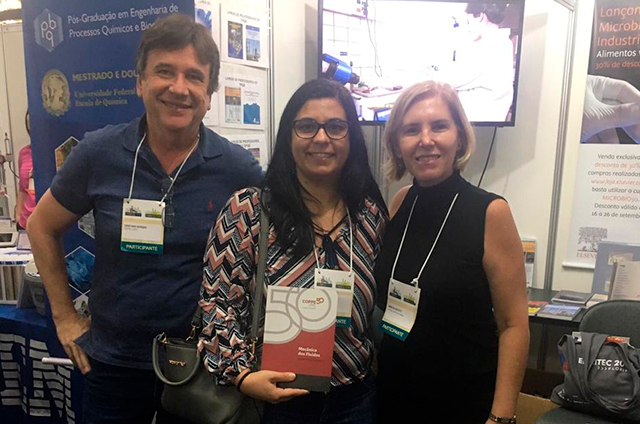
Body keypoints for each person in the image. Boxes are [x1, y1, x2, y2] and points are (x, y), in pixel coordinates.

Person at [27, 14, 262, 424]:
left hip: (201, 365)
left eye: (194, 77)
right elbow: (40, 226)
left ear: (209, 95)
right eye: (164, 72)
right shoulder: (98, 154)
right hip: (113, 363)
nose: (179, 88)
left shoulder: (236, 168)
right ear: (139, 82)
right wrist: (64, 317)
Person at [198, 78, 388, 423]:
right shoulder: (249, 210)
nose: (321, 138)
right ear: (289, 135)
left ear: (351, 138)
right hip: (275, 401)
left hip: (355, 401)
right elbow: (216, 302)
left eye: (336, 127)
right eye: (307, 126)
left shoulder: (368, 215)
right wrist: (241, 375)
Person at [374, 81, 529, 423]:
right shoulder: (400, 203)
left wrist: (502, 417)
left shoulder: (491, 213)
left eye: (439, 126)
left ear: (459, 137)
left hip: (463, 403)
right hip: (394, 397)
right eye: (411, 130)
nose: (425, 139)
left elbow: (513, 325)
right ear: (397, 144)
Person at [446, 3, 515, 122]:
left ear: (480, 17)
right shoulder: (501, 42)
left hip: (478, 118)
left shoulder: (493, 44)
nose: (467, 28)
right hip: (481, 118)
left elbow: (453, 80)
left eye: (468, 22)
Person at [16, 110, 36, 231]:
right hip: (25, 223)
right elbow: (22, 189)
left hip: (48, 223)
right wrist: (18, 216)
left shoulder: (56, 151)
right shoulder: (24, 153)